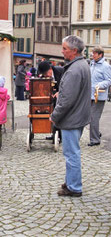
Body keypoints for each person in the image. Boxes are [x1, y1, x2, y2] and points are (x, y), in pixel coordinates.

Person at [50, 35, 91, 197]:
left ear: (74, 51)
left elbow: (66, 100)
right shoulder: (81, 65)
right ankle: (71, 182)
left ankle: (74, 187)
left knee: (71, 154)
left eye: (65, 48)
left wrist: (54, 115)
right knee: (72, 153)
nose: (62, 51)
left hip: (72, 119)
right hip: (78, 116)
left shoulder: (74, 69)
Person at [88, 46, 111, 147]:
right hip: (90, 95)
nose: (92, 55)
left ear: (100, 54)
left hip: (99, 96)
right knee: (89, 117)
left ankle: (95, 140)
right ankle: (96, 133)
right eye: (92, 53)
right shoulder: (92, 64)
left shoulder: (105, 66)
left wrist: (99, 85)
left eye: (94, 53)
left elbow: (108, 80)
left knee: (94, 118)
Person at [37, 60, 64, 141]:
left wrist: (59, 92)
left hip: (61, 96)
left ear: (50, 70)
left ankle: (61, 136)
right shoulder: (43, 75)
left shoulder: (60, 71)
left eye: (46, 74)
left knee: (59, 114)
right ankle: (54, 134)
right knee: (51, 113)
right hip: (51, 96)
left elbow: (66, 84)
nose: (45, 76)